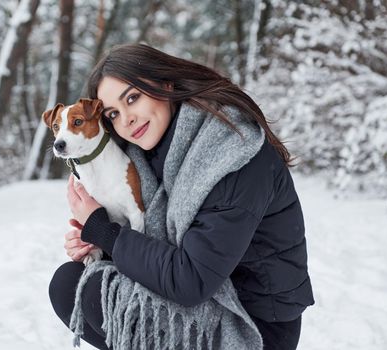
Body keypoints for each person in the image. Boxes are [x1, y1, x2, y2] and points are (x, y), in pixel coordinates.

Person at [48, 43, 314, 350]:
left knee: (90, 290)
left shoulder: (230, 150)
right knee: (72, 284)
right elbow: (156, 244)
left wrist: (107, 233)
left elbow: (191, 280)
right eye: (113, 113)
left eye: (132, 98)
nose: (126, 120)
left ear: (164, 84)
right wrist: (98, 243)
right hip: (201, 297)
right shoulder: (147, 154)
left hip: (252, 323)